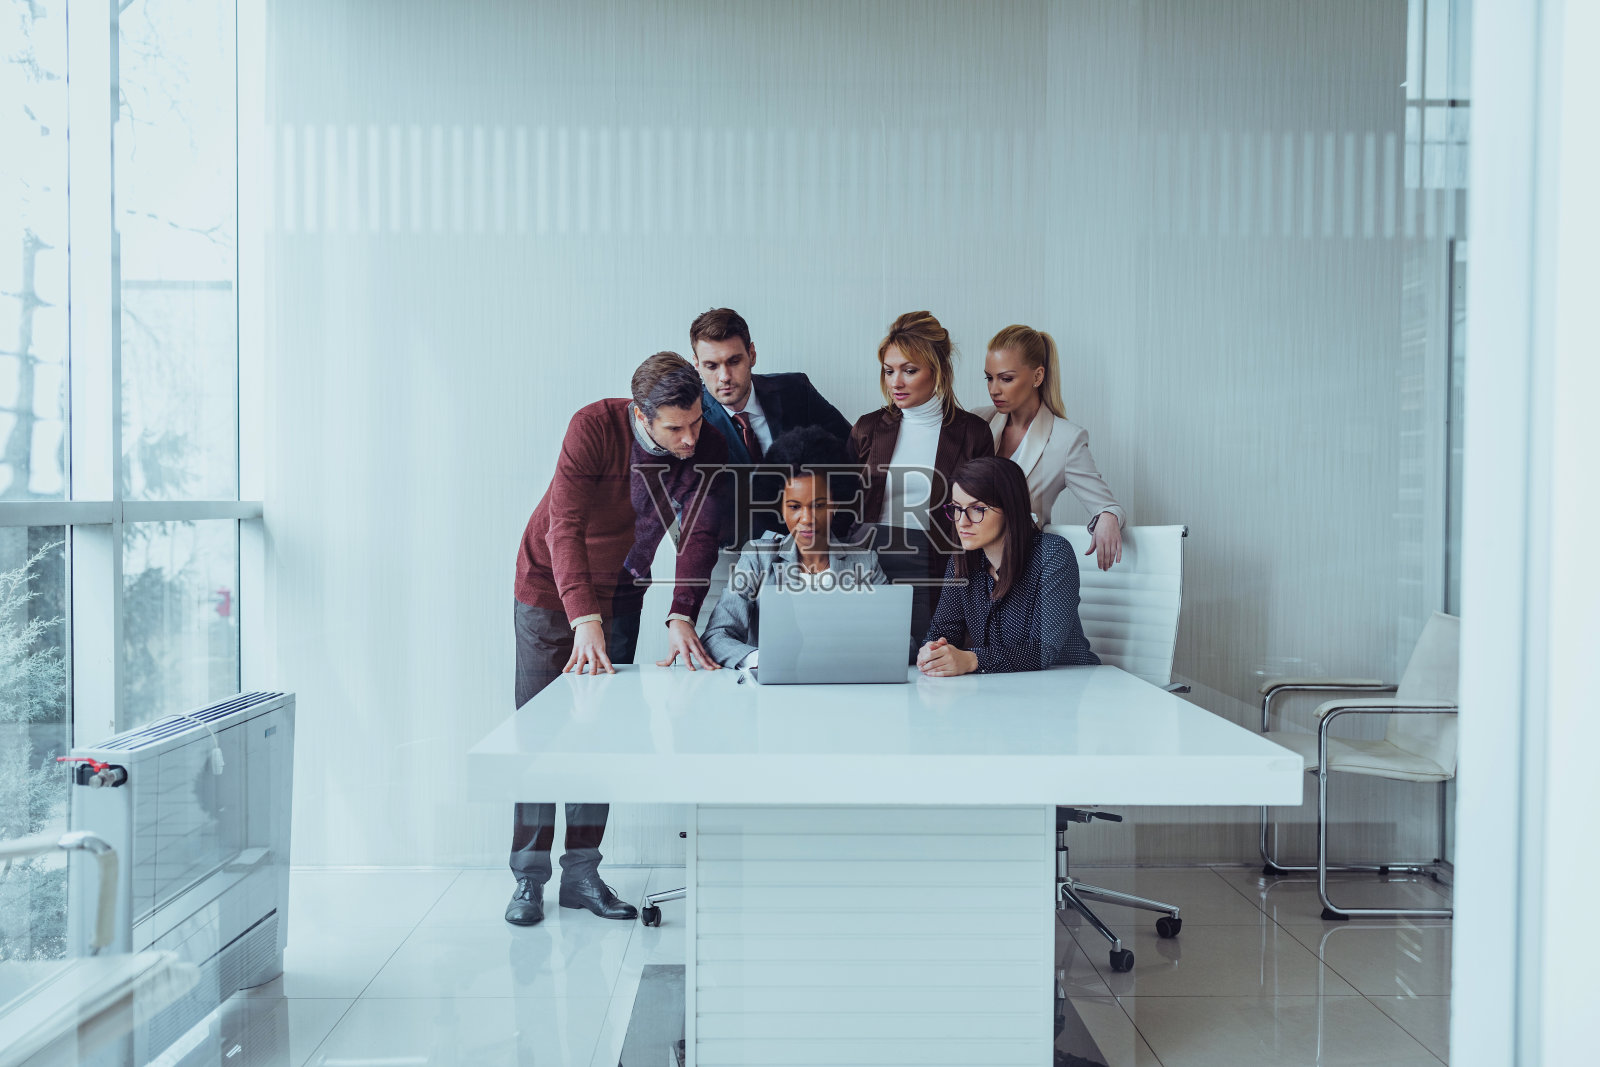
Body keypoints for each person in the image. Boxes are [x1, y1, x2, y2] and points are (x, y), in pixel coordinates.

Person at [507, 351, 725, 927]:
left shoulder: (705, 441)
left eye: (696, 422)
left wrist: (681, 613)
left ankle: (581, 874)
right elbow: (565, 526)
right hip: (550, 589)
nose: (689, 438)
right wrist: (583, 617)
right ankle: (529, 878)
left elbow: (700, 534)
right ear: (640, 415)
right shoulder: (593, 426)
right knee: (539, 733)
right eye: (675, 428)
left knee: (596, 735)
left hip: (623, 589)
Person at [689, 307, 855, 621]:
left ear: (752, 354)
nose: (724, 376)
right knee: (725, 649)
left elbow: (850, 452)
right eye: (711, 365)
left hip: (811, 556)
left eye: (734, 361)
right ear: (697, 365)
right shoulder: (689, 420)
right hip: (730, 562)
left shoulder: (794, 391)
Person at [848, 311, 994, 651]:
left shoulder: (972, 433)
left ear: (937, 370)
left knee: (927, 660)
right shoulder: (867, 428)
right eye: (889, 370)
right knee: (868, 656)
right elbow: (845, 506)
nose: (895, 382)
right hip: (868, 560)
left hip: (938, 565)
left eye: (909, 370)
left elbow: (983, 511)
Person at [701, 426, 887, 669]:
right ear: (779, 507)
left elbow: (902, 641)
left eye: (818, 506)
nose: (807, 519)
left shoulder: (865, 563)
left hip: (844, 689)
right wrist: (762, 660)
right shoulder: (758, 558)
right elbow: (716, 636)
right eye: (794, 507)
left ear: (836, 504)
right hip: (776, 691)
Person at [917, 455, 1099, 677]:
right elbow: (943, 631)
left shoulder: (1052, 554)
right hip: (1002, 690)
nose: (962, 522)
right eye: (957, 508)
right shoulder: (962, 561)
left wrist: (972, 659)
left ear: (1010, 509)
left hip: (1069, 683)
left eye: (978, 509)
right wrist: (932, 652)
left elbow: (1043, 650)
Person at [972, 324, 1126, 571]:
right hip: (968, 565)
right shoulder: (978, 421)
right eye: (989, 378)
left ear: (1037, 376)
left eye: (1006, 378)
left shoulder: (1067, 440)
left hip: (1022, 568)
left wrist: (1108, 517)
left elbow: (1108, 505)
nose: (994, 389)